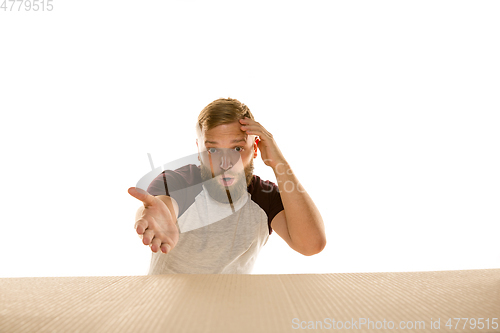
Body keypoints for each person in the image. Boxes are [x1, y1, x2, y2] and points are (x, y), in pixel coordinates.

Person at [128, 98, 326, 274]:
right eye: (213, 149)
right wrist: (152, 216)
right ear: (199, 150)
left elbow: (310, 245)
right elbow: (160, 206)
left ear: (255, 149)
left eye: (237, 148)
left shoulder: (265, 197)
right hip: (168, 310)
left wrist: (279, 163)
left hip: (232, 308)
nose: (225, 163)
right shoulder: (178, 182)